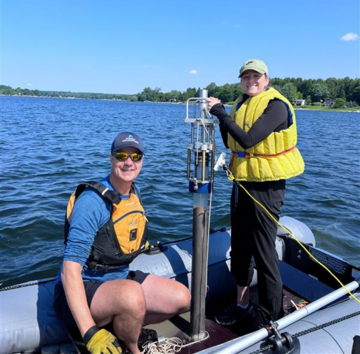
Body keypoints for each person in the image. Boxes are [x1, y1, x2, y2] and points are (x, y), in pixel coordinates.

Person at [54, 132, 191, 354]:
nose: (129, 162)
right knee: (132, 295)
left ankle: (123, 330)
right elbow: (70, 271)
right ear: (111, 159)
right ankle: (132, 348)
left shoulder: (132, 192)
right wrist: (90, 332)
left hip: (118, 278)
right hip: (84, 287)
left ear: (142, 160)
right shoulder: (92, 202)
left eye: (135, 156)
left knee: (181, 298)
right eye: (121, 155)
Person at [206, 59, 304, 328]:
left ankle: (271, 318)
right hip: (242, 182)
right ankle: (242, 305)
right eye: (246, 77)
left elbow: (249, 140)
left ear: (266, 79)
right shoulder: (240, 105)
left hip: (267, 188)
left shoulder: (276, 106)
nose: (251, 81)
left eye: (256, 76)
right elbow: (231, 141)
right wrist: (223, 114)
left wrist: (220, 113)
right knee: (239, 250)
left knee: (264, 252)